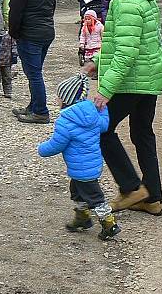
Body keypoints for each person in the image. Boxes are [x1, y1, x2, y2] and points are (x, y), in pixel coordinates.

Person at [82, 0, 162, 216]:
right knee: (142, 134)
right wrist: (97, 63)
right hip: (148, 79)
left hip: (131, 81)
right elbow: (127, 42)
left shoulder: (125, 0)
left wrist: (105, 90)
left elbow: (126, 52)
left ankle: (131, 189)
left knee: (101, 131)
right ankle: (152, 198)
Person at [37, 74, 120, 241]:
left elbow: (57, 144)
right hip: (92, 165)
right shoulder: (93, 114)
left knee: (96, 198)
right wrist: (104, 110)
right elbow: (104, 126)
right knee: (77, 192)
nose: (57, 100)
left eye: (59, 97)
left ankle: (109, 224)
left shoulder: (65, 121)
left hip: (80, 169)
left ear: (66, 99)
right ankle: (83, 217)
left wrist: (41, 149)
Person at [9, 0, 57, 124]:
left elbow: (15, 13)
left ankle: (40, 111)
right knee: (35, 71)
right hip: (46, 32)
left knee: (34, 74)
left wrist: (14, 33)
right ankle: (33, 106)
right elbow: (52, 8)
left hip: (29, 34)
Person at [0, 33, 18, 98]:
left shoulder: (10, 36)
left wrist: (14, 56)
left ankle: (8, 91)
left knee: (7, 77)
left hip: (7, 61)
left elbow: (14, 46)